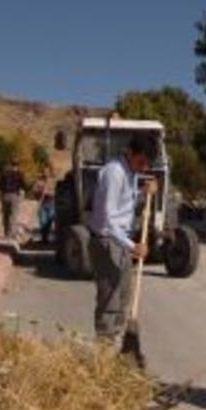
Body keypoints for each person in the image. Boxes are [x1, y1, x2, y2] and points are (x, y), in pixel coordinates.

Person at [88, 134, 156, 347]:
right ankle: (104, 352)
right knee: (110, 300)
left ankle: (117, 344)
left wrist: (143, 193)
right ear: (130, 152)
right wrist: (133, 246)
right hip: (107, 241)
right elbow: (109, 218)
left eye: (147, 164)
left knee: (124, 297)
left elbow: (124, 201)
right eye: (141, 162)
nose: (144, 168)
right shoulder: (114, 172)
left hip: (121, 241)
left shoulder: (130, 171)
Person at [0, 160, 26, 238]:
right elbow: (24, 184)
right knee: (13, 214)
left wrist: (1, 192)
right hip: (14, 195)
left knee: (5, 214)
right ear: (17, 166)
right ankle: (11, 233)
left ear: (11, 165)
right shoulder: (19, 174)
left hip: (4, 195)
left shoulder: (4, 173)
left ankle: (6, 232)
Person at [33, 172, 55, 243]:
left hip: (51, 203)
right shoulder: (38, 183)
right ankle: (44, 238)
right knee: (43, 221)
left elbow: (56, 192)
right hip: (42, 204)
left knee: (49, 221)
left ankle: (46, 237)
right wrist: (40, 191)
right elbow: (34, 192)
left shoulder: (53, 183)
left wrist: (48, 192)